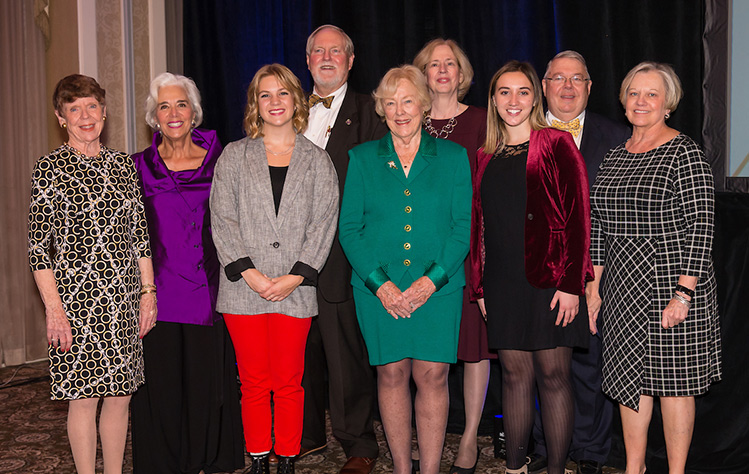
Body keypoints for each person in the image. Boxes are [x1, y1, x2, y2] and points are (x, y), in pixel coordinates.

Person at [589, 61, 721, 474]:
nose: (640, 101)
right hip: (624, 282)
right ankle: (634, 468)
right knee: (631, 385)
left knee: (674, 386)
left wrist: (683, 293)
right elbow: (598, 228)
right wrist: (595, 287)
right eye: (634, 93)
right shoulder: (614, 156)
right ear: (624, 102)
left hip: (672, 281)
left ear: (668, 105)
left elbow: (702, 225)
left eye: (651, 94)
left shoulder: (685, 151)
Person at [339, 65, 472, 474]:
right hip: (379, 292)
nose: (400, 111)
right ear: (381, 108)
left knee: (433, 376)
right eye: (391, 103)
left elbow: (462, 228)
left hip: (439, 289)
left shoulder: (454, 158)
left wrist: (430, 282)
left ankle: (429, 470)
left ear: (424, 105)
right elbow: (349, 229)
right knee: (392, 374)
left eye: (408, 101)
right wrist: (381, 286)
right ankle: (401, 467)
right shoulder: (361, 159)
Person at [209, 63, 339, 474]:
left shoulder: (318, 161)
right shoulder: (234, 155)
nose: (275, 102)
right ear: (255, 104)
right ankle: (259, 459)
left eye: (283, 93)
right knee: (252, 382)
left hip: (295, 287)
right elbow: (222, 218)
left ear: (296, 100)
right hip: (243, 288)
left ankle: (287, 459)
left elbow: (324, 222)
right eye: (266, 95)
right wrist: (251, 273)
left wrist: (296, 275)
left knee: (288, 382)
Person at [468, 61, 593, 474]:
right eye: (504, 92)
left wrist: (572, 284)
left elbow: (578, 218)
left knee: (554, 378)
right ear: (493, 100)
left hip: (552, 281)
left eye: (522, 91)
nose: (513, 101)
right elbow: (480, 226)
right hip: (502, 283)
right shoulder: (485, 155)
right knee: (515, 379)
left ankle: (557, 470)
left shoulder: (556, 143)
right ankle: (515, 468)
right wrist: (480, 287)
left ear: (535, 97)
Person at [28, 74, 156, 474]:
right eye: (74, 109)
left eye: (92, 106)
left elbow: (140, 234)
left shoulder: (123, 165)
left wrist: (148, 293)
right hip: (74, 305)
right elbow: (38, 250)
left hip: (123, 301)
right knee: (83, 398)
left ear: (104, 110)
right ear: (61, 117)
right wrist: (54, 310)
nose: (86, 116)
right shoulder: (49, 169)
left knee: (120, 397)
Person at [129, 72, 244, 474]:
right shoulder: (137, 166)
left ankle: (209, 459)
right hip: (156, 292)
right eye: (164, 106)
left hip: (210, 290)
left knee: (205, 383)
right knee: (161, 386)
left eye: (181, 104)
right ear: (154, 117)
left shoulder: (223, 157)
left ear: (194, 113)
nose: (173, 113)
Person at [526, 50, 630, 474]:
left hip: (597, 272)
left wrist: (594, 279)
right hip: (533, 271)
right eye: (558, 79)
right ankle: (543, 445)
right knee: (537, 365)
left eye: (577, 79)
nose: (567, 87)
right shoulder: (522, 132)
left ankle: (589, 451)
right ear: (544, 87)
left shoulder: (618, 135)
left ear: (589, 87)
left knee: (589, 365)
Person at [300, 24, 387, 474]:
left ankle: (359, 443)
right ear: (308, 59)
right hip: (289, 254)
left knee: (344, 351)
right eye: (319, 51)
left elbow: (376, 186)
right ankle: (306, 435)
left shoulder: (370, 111)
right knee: (300, 349)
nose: (327, 57)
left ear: (351, 61)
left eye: (337, 51)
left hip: (340, 252)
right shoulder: (287, 108)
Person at [412, 38, 490, 474]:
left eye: (450, 64)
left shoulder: (481, 120)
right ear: (422, 73)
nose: (442, 70)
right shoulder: (407, 118)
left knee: (474, 348)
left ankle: (470, 440)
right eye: (433, 64)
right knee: (427, 353)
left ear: (461, 74)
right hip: (420, 254)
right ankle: (431, 438)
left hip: (470, 245)